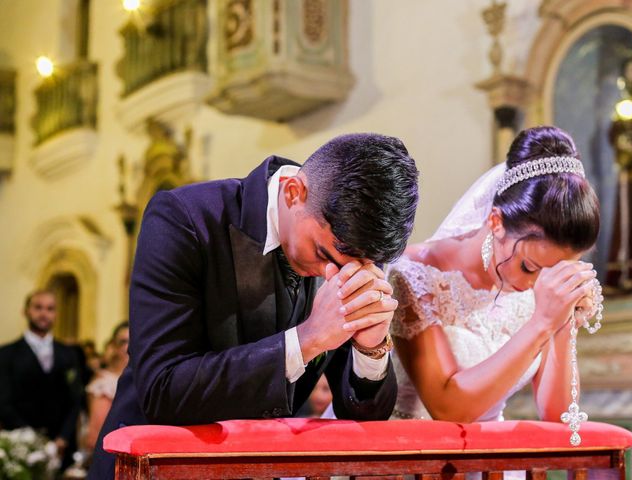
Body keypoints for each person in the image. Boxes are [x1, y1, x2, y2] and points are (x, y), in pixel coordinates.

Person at [88, 133, 419, 478]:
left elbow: (363, 416)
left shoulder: (354, 248)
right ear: (294, 192)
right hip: (155, 467)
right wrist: (307, 340)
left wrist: (371, 350)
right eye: (322, 253)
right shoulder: (185, 218)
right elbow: (162, 390)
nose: (330, 272)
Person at [388, 126, 600, 424]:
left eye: (555, 273)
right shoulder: (414, 274)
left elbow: (558, 416)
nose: (533, 285)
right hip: (409, 454)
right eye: (529, 266)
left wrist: (562, 322)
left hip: (491, 463)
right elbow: (448, 409)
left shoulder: (542, 295)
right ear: (496, 220)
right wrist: (541, 322)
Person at [0, 290, 83, 470]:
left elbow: (75, 400)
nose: (44, 313)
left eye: (50, 308)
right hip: (20, 449)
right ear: (26, 311)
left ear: (56, 313)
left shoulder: (68, 354)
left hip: (62, 450)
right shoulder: (6, 354)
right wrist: (33, 441)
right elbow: (4, 403)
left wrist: (63, 437)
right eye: (38, 307)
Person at [85, 322, 129, 452]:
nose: (129, 347)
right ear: (114, 347)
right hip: (113, 453)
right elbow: (97, 434)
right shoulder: (105, 383)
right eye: (123, 342)